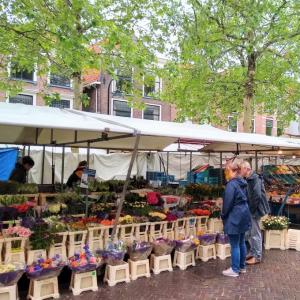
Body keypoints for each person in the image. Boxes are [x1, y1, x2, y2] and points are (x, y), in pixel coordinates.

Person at [222, 158, 251, 277]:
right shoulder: (243, 182)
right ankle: (242, 266)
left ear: (232, 170)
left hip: (235, 216)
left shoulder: (231, 184)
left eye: (227, 169)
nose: (226, 172)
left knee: (235, 244)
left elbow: (227, 203)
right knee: (241, 242)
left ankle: (234, 269)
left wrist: (223, 215)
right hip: (244, 214)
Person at [240, 161, 268, 265]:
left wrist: (251, 209)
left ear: (246, 169)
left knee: (255, 233)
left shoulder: (255, 178)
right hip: (252, 209)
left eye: (241, 169)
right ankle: (252, 253)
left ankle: (257, 257)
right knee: (250, 233)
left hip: (255, 210)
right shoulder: (249, 179)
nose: (240, 172)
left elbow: (257, 196)